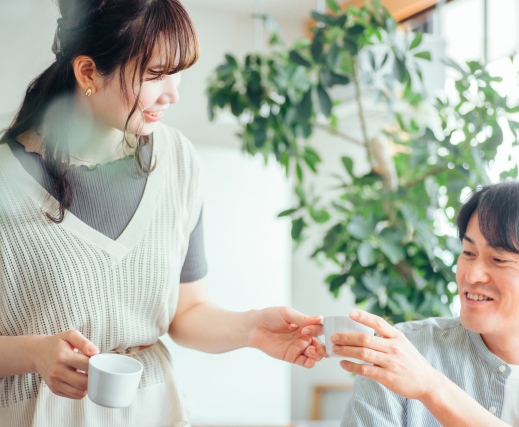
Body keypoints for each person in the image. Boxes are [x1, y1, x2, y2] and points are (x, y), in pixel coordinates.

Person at [0, 1, 327, 426]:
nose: (173, 94)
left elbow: (186, 313)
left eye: (176, 73)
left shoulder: (177, 160)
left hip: (154, 411)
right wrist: (36, 354)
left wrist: (252, 329)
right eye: (155, 75)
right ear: (87, 73)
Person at [333, 181, 519, 427]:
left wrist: (431, 388)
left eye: (499, 259)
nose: (472, 274)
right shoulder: (404, 351)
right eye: (467, 252)